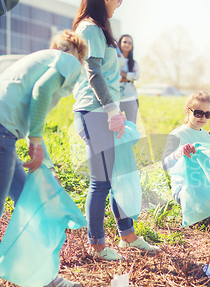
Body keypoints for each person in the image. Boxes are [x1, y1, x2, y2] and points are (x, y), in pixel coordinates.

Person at [0, 30, 87, 287]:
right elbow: (41, 92)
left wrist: (46, 165)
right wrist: (36, 139)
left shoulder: (39, 58)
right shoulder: (67, 61)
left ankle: (44, 277)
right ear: (76, 54)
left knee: (33, 205)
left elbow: (30, 111)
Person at [72, 0, 159, 262]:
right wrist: (112, 110)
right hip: (95, 113)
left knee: (118, 176)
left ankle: (128, 236)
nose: (121, 2)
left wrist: (115, 111)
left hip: (107, 113)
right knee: (101, 182)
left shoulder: (99, 29)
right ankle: (97, 246)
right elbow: (94, 74)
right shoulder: (88, 29)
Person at [162, 91, 210, 230]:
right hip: (184, 188)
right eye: (198, 113)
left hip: (206, 187)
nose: (203, 117)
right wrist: (179, 153)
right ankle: (194, 212)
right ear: (188, 111)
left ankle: (202, 213)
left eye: (208, 114)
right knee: (208, 216)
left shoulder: (207, 137)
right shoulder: (178, 134)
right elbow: (164, 164)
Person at [118, 34, 140, 123]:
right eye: (125, 42)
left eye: (130, 43)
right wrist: (129, 77)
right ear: (119, 44)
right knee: (116, 126)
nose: (127, 44)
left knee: (132, 125)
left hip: (131, 98)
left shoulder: (134, 63)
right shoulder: (114, 61)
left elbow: (136, 76)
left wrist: (121, 74)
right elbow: (113, 77)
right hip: (116, 99)